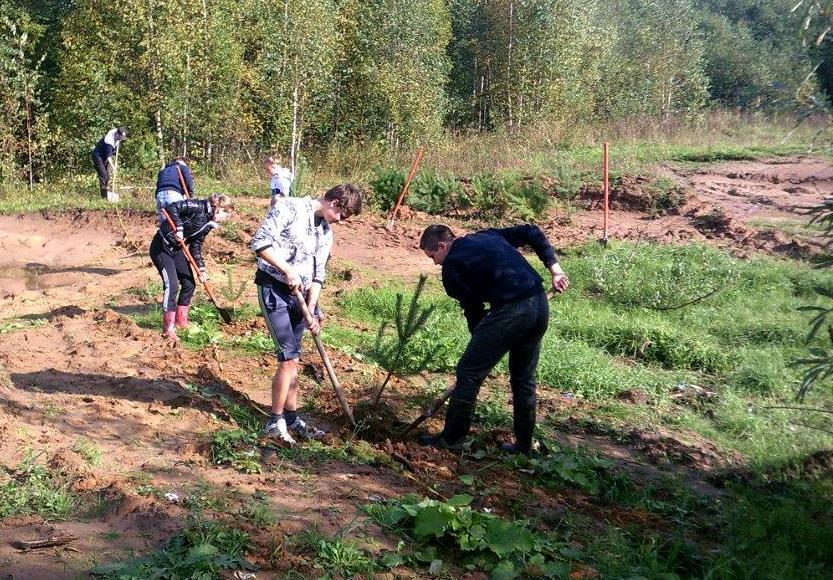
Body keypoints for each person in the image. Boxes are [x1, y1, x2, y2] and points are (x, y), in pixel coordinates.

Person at [418, 224, 570, 455]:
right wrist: (555, 270)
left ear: (442, 245)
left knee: (469, 373)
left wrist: (482, 343)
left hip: (513, 311)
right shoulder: (488, 235)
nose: (435, 263)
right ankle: (523, 446)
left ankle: (451, 439)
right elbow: (531, 231)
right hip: (539, 303)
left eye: (433, 256)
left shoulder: (451, 266)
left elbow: (473, 308)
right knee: (524, 379)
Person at [250, 184, 363, 445]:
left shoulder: (325, 231)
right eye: (342, 216)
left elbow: (318, 274)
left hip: (300, 297)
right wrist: (286, 269)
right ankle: (274, 422)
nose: (341, 222)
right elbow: (260, 243)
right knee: (288, 358)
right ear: (334, 203)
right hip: (274, 288)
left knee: (295, 360)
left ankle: (291, 418)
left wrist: (312, 309)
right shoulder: (290, 207)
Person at [150, 193, 234, 341]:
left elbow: (195, 246)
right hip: (161, 247)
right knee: (172, 285)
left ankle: (181, 321)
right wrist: (179, 228)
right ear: (219, 209)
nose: (224, 220)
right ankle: (168, 328)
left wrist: (201, 269)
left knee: (189, 283)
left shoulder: (208, 224)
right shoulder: (198, 206)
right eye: (225, 216)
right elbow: (172, 207)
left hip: (176, 250)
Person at [155, 157, 195, 225]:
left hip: (159, 196)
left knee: (164, 226)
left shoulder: (163, 171)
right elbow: (188, 181)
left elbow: (158, 184)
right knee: (180, 222)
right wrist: (191, 195)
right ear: (183, 162)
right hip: (173, 195)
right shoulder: (182, 167)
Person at [91, 127, 127, 199]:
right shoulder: (109, 141)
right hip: (98, 157)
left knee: (108, 176)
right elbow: (108, 157)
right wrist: (113, 167)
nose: (121, 138)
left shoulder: (117, 135)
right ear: (117, 134)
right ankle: (104, 198)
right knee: (104, 176)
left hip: (105, 157)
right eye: (120, 137)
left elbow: (113, 152)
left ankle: (107, 195)